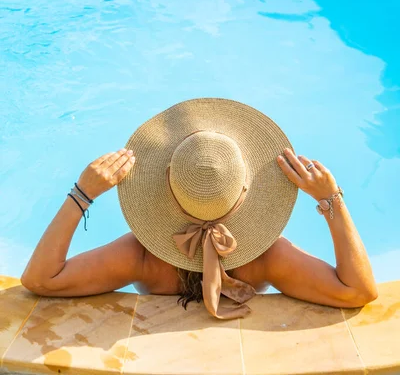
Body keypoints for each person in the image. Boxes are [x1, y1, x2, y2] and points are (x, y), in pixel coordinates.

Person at [21, 98, 378, 320]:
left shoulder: (141, 256)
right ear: (246, 186)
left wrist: (82, 193)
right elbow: (357, 291)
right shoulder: (268, 257)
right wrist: (332, 201)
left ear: (167, 184)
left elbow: (40, 279)